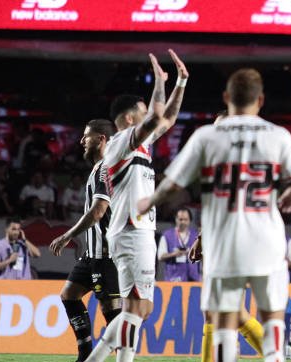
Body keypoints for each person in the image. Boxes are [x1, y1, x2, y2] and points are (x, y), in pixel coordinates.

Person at [137, 68, 291, 362]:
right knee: (272, 321)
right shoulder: (278, 136)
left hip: (225, 245)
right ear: (261, 100)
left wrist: (148, 201)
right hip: (267, 243)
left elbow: (172, 185)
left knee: (222, 325)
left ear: (227, 97)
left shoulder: (207, 136)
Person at [84, 49, 189, 362]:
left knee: (141, 309)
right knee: (134, 311)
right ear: (130, 119)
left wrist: (181, 83)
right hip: (132, 231)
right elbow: (156, 117)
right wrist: (159, 82)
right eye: (141, 112)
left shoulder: (137, 144)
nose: (148, 116)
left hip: (134, 232)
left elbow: (167, 119)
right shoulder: (121, 142)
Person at [48, 119, 121, 362]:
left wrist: (67, 235)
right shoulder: (98, 167)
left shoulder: (107, 167)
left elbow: (98, 211)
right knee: (69, 295)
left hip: (106, 254)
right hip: (92, 255)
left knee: (112, 313)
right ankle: (85, 354)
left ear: (101, 139)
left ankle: (124, 357)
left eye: (86, 136)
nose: (81, 141)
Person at [157, 207, 200, 282]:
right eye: (180, 219)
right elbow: (160, 256)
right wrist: (174, 254)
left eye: (185, 219)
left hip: (193, 279)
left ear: (190, 220)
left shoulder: (196, 236)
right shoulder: (167, 235)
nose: (183, 222)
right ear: (176, 219)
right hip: (173, 278)